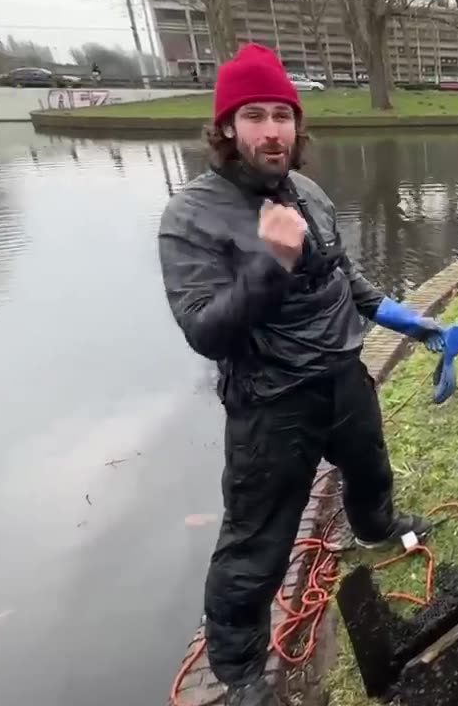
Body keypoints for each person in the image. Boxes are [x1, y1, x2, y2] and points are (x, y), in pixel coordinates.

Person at [157, 43, 441, 706]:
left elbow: (344, 278)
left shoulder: (308, 190)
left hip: (342, 378)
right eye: (253, 116)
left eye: (282, 115)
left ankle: (374, 531)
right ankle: (238, 670)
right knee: (257, 547)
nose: (272, 130)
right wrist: (268, 264)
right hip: (269, 404)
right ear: (227, 127)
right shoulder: (190, 217)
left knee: (371, 471)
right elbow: (205, 333)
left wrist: (408, 320)